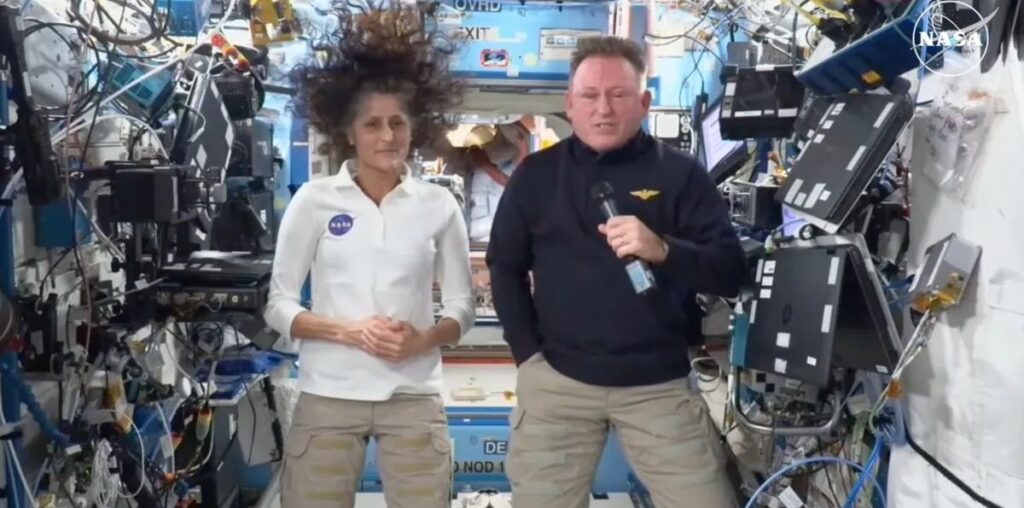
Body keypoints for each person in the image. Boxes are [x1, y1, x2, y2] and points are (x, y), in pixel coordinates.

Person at [486, 36, 745, 507]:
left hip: (657, 385)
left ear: (644, 103)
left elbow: (730, 272)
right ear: (569, 103)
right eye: (589, 96)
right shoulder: (536, 177)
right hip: (558, 383)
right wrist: (528, 355)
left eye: (618, 94)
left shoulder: (683, 175)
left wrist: (663, 249)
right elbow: (504, 269)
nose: (602, 109)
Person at [263, 3, 474, 507]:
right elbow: (278, 306)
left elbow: (462, 310)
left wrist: (423, 340)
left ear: (414, 128)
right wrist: (347, 331)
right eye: (373, 125)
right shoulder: (314, 201)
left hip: (413, 396)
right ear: (349, 133)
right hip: (328, 395)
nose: (387, 137)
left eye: (398, 123)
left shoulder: (439, 205)